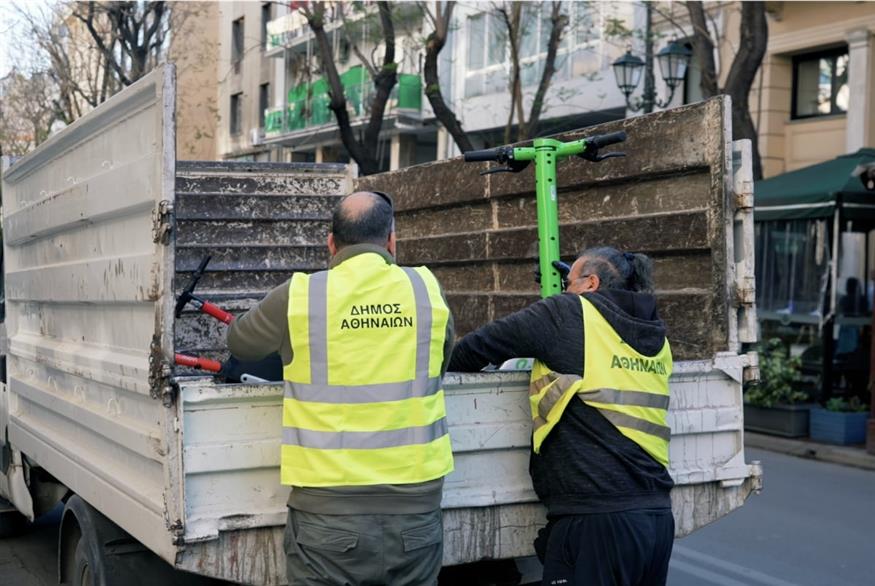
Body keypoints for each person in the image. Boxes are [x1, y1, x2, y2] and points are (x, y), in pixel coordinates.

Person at [228, 191, 454, 586]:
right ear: (391, 241)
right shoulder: (425, 289)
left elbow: (240, 343)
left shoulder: (301, 296)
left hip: (326, 515)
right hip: (414, 510)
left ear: (331, 244)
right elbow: (441, 360)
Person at [449, 247, 675, 586]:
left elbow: (473, 349)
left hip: (595, 521)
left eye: (569, 283)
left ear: (590, 283)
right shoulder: (655, 333)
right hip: (656, 519)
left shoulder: (566, 313)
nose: (564, 290)